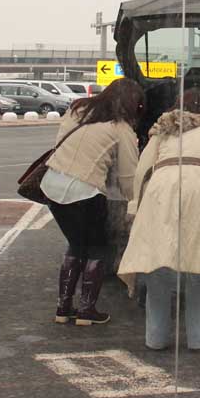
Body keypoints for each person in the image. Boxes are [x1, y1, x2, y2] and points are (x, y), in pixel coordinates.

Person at [118, 88, 200, 351]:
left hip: (160, 188)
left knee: (158, 261)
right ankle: (198, 340)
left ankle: (155, 339)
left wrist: (135, 205)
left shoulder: (165, 127)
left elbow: (143, 169)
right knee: (198, 262)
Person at [42, 78, 145, 326]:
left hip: (52, 185)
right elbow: (129, 177)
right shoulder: (121, 129)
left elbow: (59, 145)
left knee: (76, 244)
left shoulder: (78, 110)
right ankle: (87, 310)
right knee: (98, 247)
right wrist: (137, 205)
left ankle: (63, 308)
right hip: (84, 191)